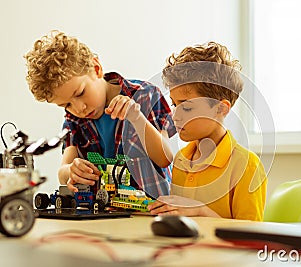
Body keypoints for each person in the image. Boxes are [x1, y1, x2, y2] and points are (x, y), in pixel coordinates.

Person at [24, 30, 175, 199]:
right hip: (103, 214)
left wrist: (136, 118)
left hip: (151, 210)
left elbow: (165, 157)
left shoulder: (145, 95)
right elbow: (63, 172)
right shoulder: (74, 119)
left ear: (96, 68)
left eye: (80, 93)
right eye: (66, 105)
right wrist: (72, 170)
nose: (79, 108)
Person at [148, 42, 267, 221]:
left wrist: (201, 211)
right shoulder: (181, 160)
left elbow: (250, 236)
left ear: (221, 108)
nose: (175, 116)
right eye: (174, 104)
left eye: (186, 107)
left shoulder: (247, 166)